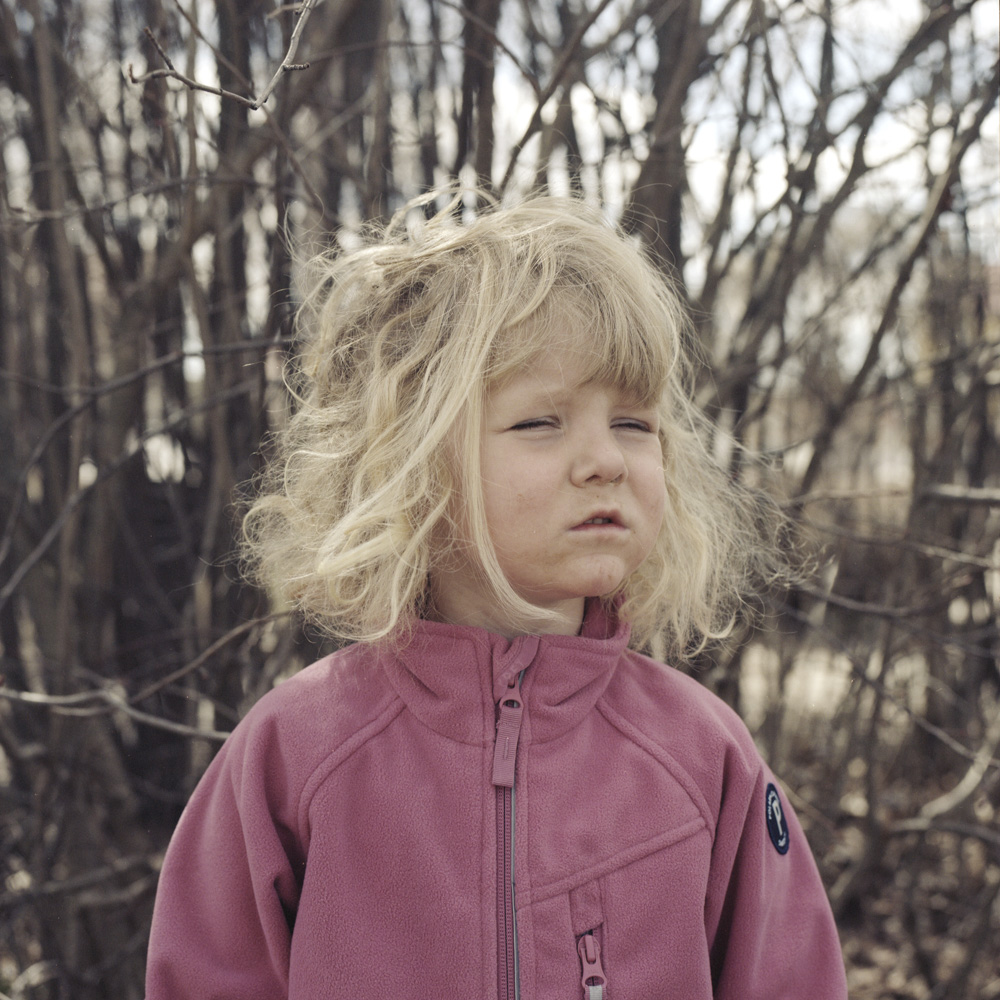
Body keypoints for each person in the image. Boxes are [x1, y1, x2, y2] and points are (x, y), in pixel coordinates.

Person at [144, 193, 848, 999]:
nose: (605, 460)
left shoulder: (701, 757)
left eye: (634, 423)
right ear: (416, 466)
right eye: (541, 422)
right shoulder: (294, 756)